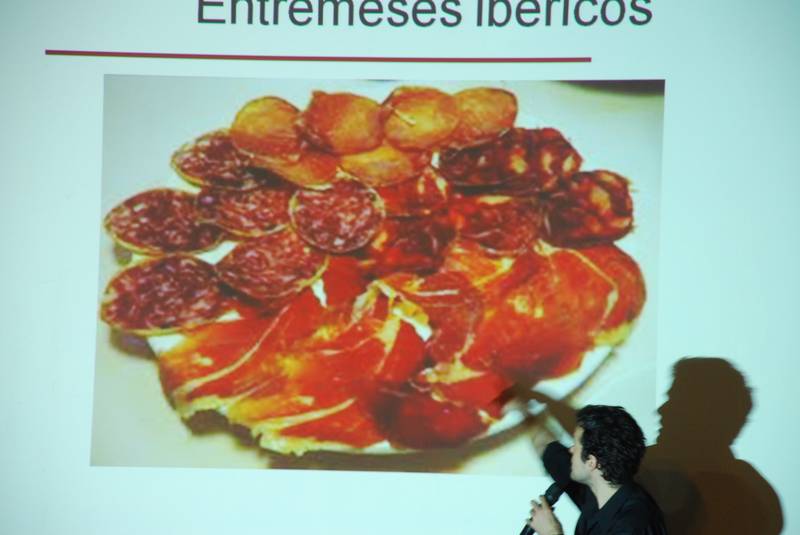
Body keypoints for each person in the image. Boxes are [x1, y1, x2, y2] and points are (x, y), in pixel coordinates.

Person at [527, 405, 666, 535]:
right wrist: (522, 409)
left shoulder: (633, 524)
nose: (570, 450)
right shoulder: (596, 490)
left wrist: (552, 532)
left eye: (575, 445)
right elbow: (547, 448)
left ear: (591, 462)